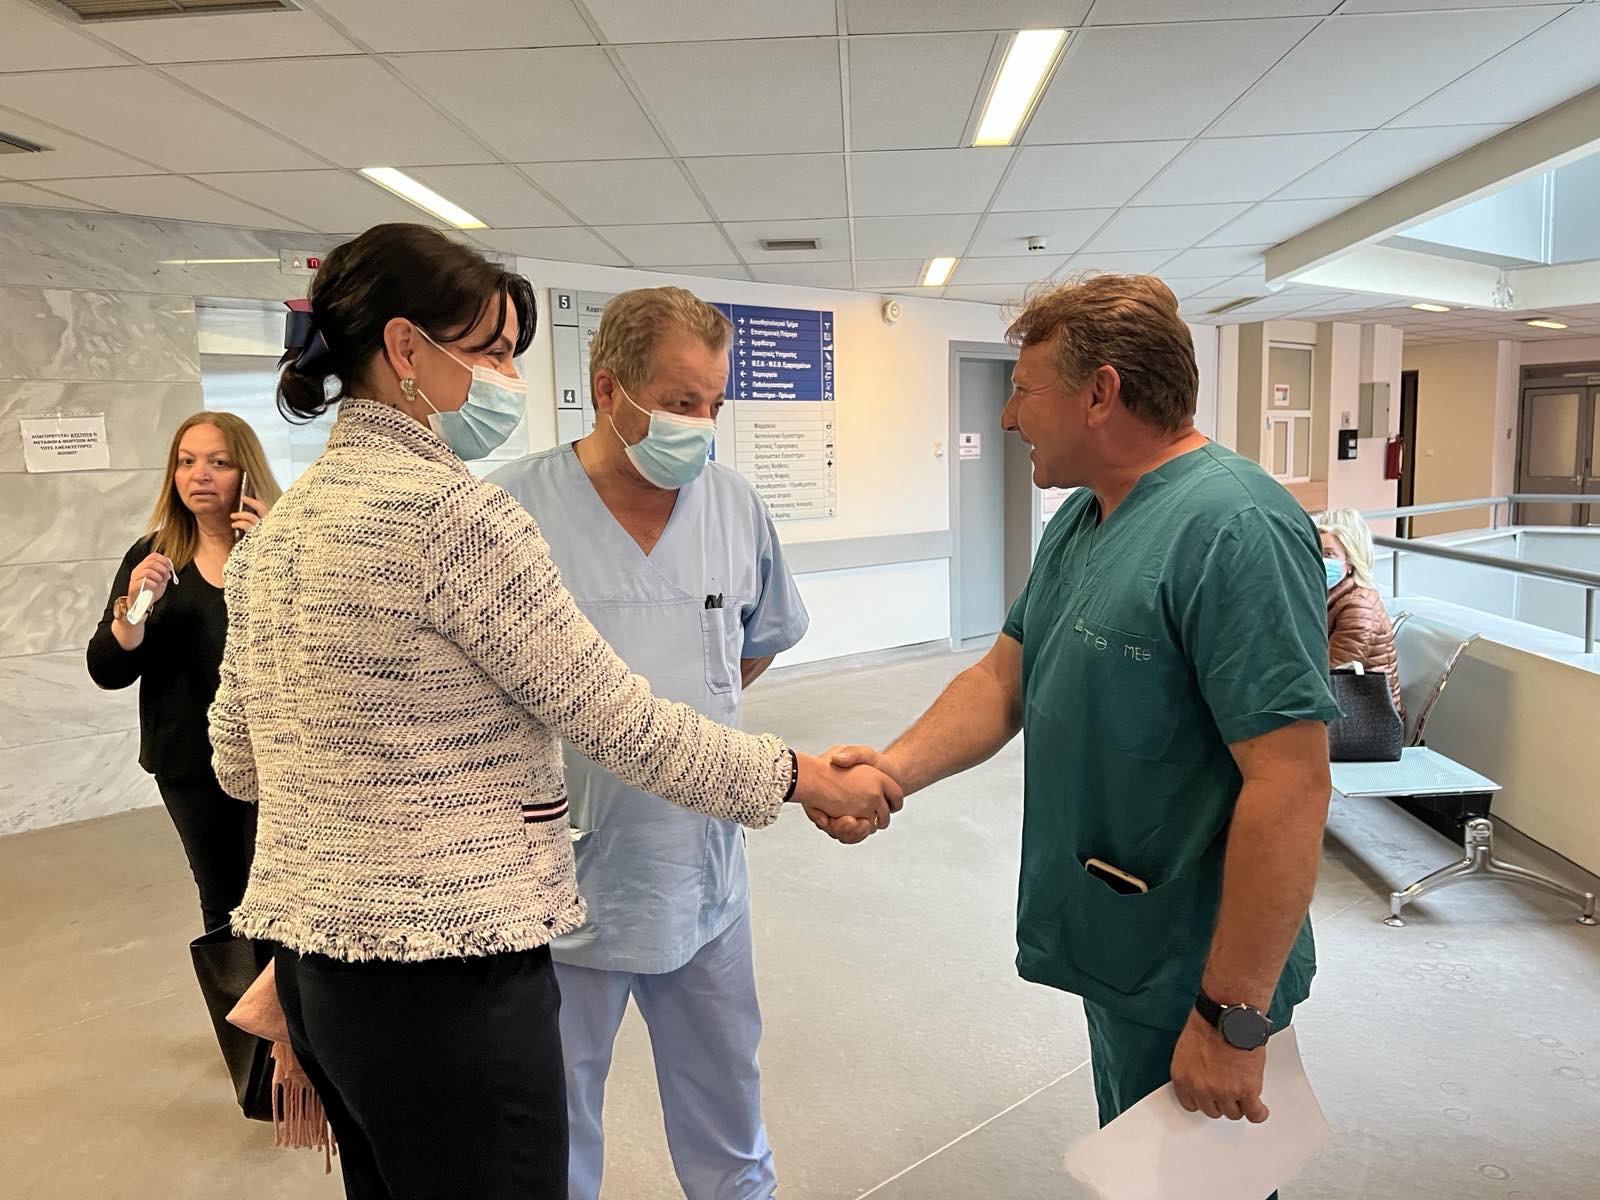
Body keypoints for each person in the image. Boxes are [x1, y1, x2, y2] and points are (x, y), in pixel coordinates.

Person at [209, 223, 900, 1200]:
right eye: (491, 351)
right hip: (458, 965)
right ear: (406, 349)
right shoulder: (463, 515)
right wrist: (798, 775)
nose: (506, 378)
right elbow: (616, 720)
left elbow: (238, 761)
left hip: (330, 979)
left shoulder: (280, 533)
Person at [824, 274, 1340, 1143]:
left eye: (1024, 391)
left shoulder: (1236, 528)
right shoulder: (1085, 517)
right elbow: (1004, 677)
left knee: (1197, 1181)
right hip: (1119, 933)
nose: (1007, 417)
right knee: (1138, 1159)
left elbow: (1291, 783)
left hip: (1196, 966)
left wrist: (1232, 1017)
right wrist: (891, 770)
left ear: (1100, 393)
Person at [490, 287, 808, 1200]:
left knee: (729, 1118)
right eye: (678, 402)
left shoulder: (733, 505)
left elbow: (752, 645)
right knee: (552, 1131)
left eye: (713, 403)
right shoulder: (509, 510)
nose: (699, 425)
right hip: (556, 880)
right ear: (608, 390)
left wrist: (687, 717)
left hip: (701, 873)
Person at [87, 412, 280, 934]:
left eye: (219, 462)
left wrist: (275, 559)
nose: (200, 475)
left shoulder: (279, 548)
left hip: (273, 757)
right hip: (188, 761)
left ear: (247, 472)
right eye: (187, 461)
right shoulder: (153, 557)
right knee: (222, 899)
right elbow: (106, 669)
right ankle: (237, 992)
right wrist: (132, 615)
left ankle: (284, 990)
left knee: (280, 900)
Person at [1317, 508, 1404, 718]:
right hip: (1349, 710)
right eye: (1317, 552)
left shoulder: (1359, 608)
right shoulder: (1333, 595)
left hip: (1370, 722)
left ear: (1350, 562)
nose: (1320, 561)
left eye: (1329, 554)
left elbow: (1332, 675)